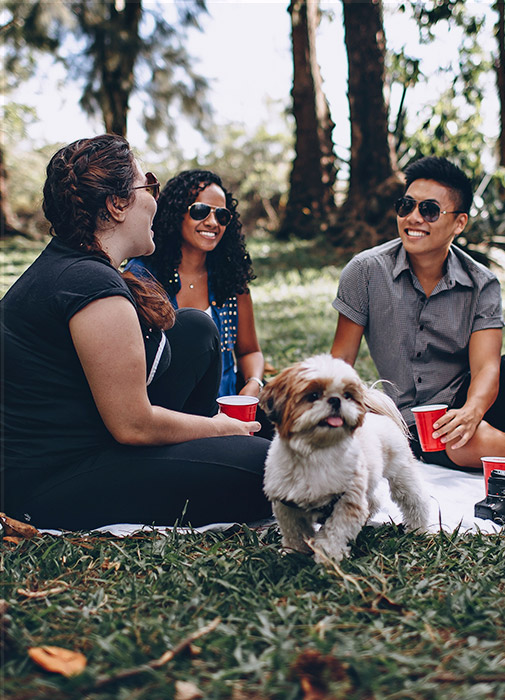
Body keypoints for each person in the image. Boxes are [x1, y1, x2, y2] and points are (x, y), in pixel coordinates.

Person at [0, 135, 272, 531]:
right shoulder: (89, 285)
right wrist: (220, 427)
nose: (155, 201)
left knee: (196, 329)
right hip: (50, 482)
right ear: (117, 204)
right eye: (150, 187)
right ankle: (217, 453)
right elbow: (133, 425)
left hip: (93, 439)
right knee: (270, 468)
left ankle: (209, 453)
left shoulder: (76, 266)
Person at [331, 156, 505, 470]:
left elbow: (486, 369)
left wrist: (472, 411)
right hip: (413, 422)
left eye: (429, 210)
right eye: (406, 206)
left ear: (459, 222)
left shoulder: (483, 283)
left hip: (472, 399)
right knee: (457, 443)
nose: (413, 218)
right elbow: (340, 361)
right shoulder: (365, 271)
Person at [126, 169, 265, 400]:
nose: (212, 222)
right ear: (176, 213)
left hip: (227, 410)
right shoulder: (142, 276)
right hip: (167, 413)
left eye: (221, 215)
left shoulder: (230, 277)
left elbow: (250, 351)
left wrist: (253, 384)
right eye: (200, 211)